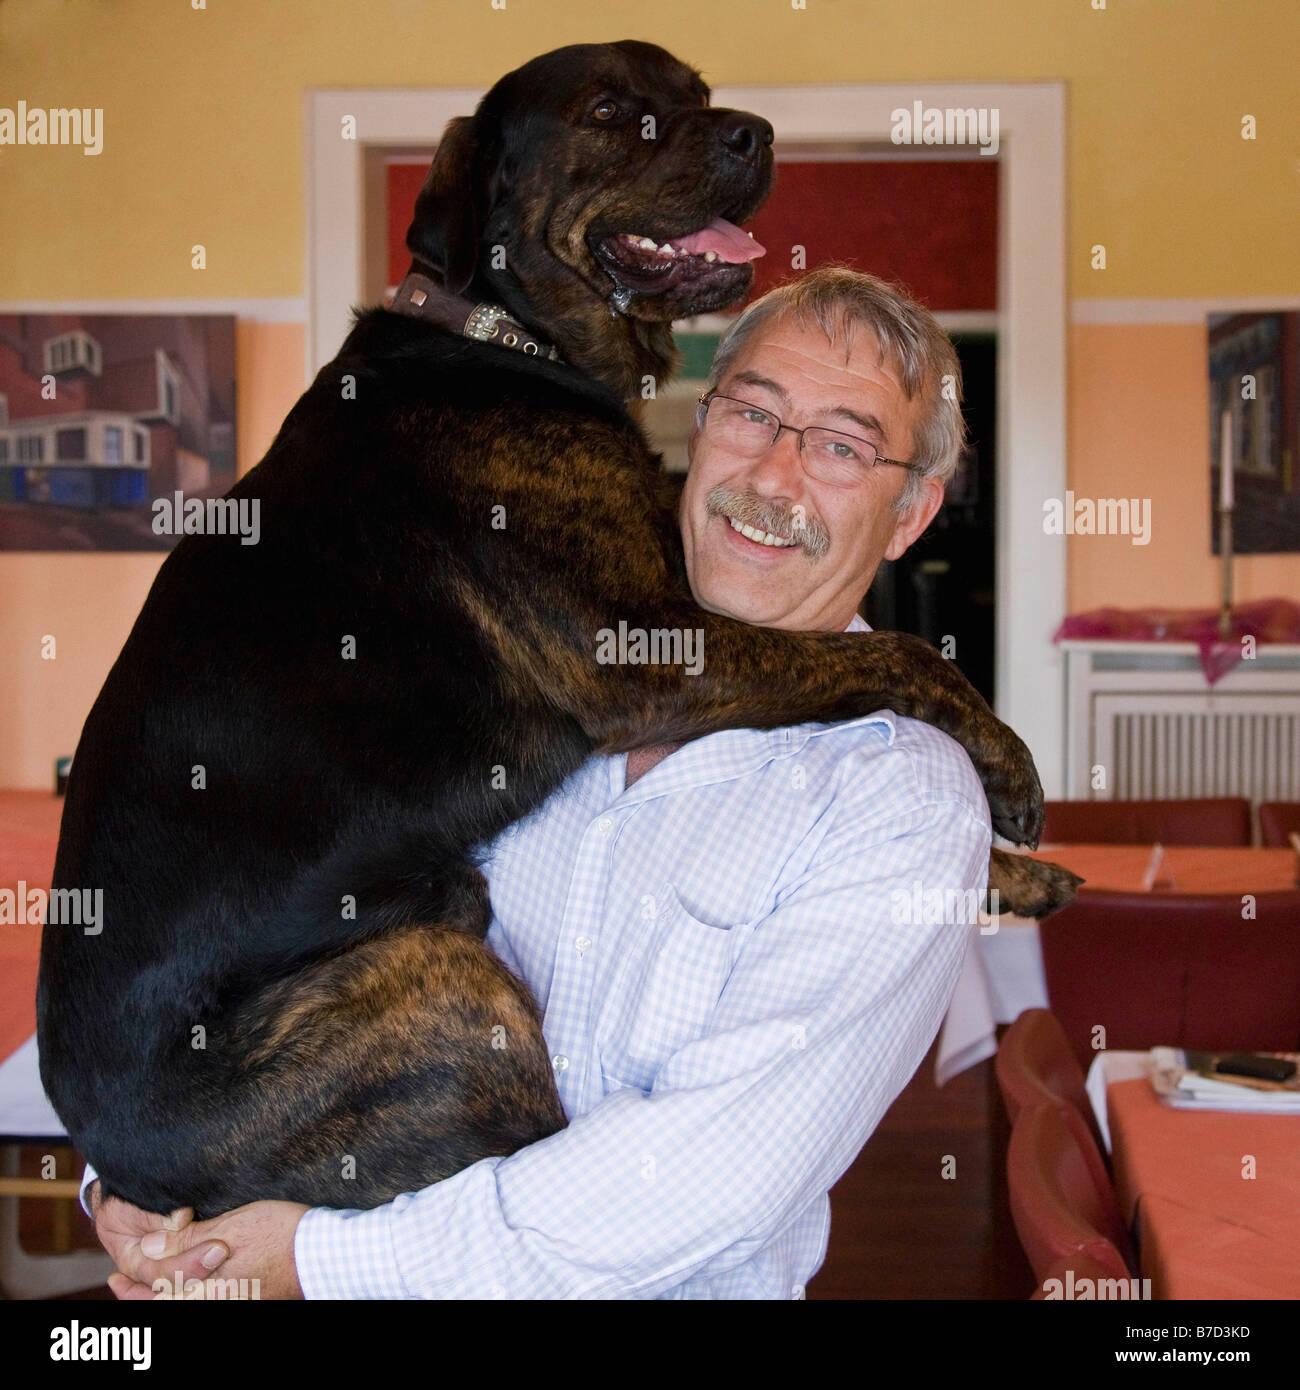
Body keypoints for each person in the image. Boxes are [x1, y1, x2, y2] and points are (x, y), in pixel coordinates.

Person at [88, 265, 992, 1300]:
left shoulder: (899, 802)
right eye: (753, 412)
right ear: (697, 430)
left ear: (912, 511)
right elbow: (252, 907)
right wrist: (149, 1189)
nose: (775, 477)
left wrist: (311, 1261)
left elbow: (706, 1179)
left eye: (840, 444)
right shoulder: (501, 662)